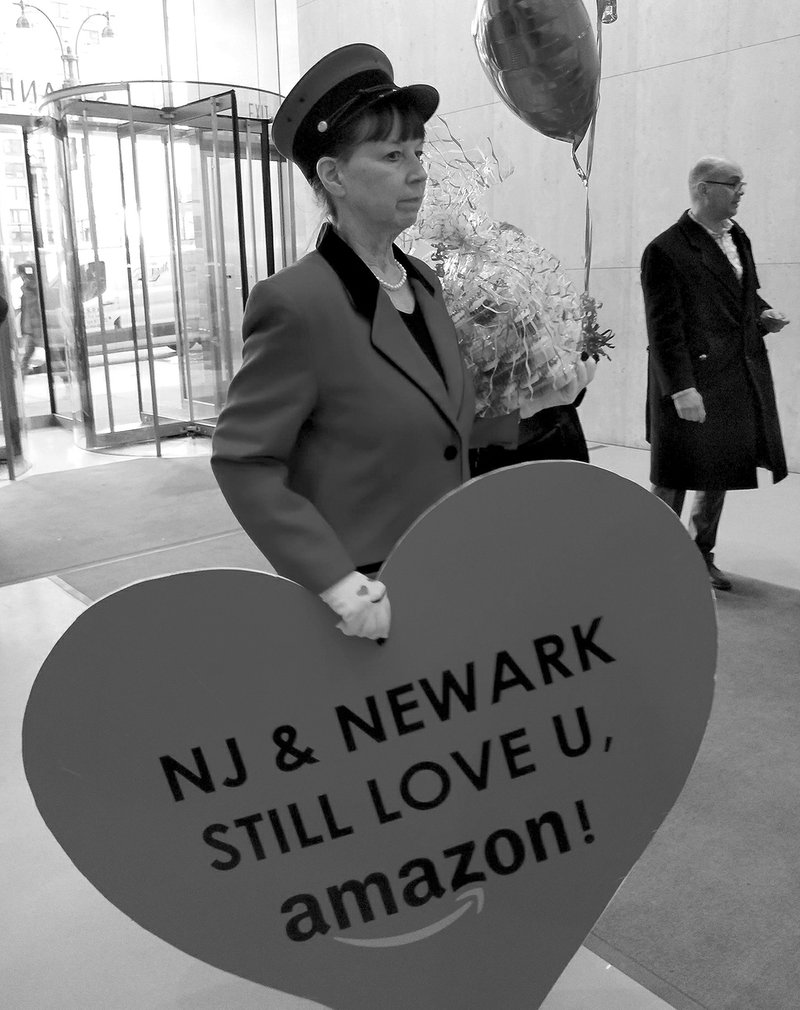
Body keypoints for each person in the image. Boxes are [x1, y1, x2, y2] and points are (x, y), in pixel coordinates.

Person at [211, 45, 477, 641]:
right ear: (333, 176)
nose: (417, 172)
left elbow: (437, 427)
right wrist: (333, 580)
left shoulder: (423, 284)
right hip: (365, 598)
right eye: (390, 156)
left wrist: (541, 400)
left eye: (417, 153)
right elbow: (244, 460)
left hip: (447, 569)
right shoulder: (297, 303)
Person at [642, 156, 789, 591]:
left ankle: (699, 554)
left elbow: (743, 294)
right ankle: (656, 557)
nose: (742, 190)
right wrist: (681, 389)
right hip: (688, 379)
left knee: (719, 470)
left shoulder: (737, 237)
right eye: (733, 183)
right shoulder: (665, 249)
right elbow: (663, 328)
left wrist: (764, 314)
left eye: (742, 183)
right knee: (674, 475)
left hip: (733, 373)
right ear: (704, 189)